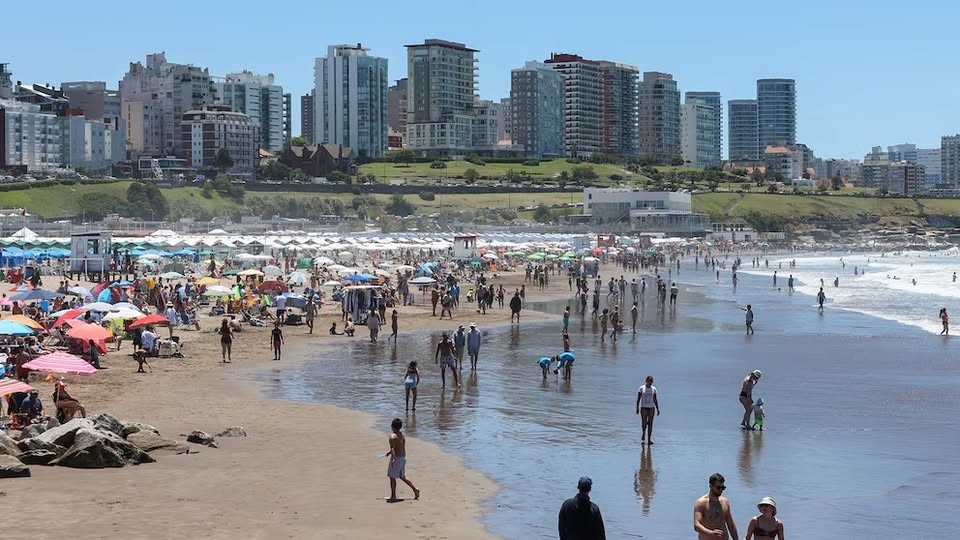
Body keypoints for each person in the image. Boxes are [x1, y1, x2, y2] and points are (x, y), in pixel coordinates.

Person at [693, 473, 739, 540]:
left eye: (723, 488)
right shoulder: (701, 503)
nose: (721, 490)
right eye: (718, 487)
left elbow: (731, 524)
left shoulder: (725, 502)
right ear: (710, 486)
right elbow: (696, 525)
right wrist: (710, 533)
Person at [384, 418, 420, 502]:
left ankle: (393, 496)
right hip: (402, 457)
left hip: (396, 458)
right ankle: (415, 489)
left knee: (392, 477)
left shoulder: (392, 436)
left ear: (392, 426)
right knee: (402, 476)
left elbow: (393, 449)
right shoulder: (402, 435)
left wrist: (393, 459)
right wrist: (389, 452)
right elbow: (399, 447)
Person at [636, 375, 660, 445]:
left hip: (651, 408)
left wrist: (658, 409)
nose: (650, 383)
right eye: (649, 381)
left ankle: (649, 439)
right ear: (646, 381)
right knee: (644, 423)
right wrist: (637, 408)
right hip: (643, 408)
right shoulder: (641, 388)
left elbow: (655, 399)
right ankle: (643, 433)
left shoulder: (654, 389)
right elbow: (638, 399)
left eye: (651, 382)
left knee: (650, 423)